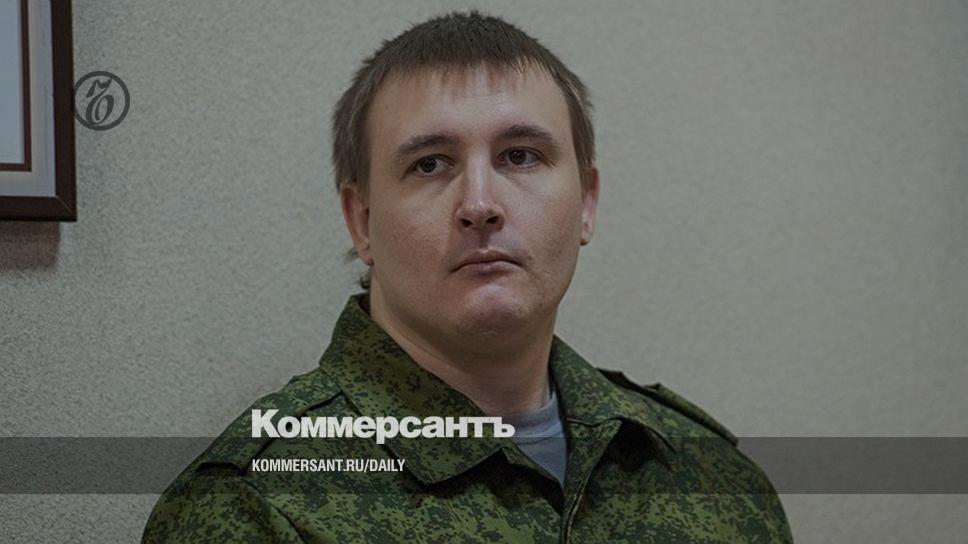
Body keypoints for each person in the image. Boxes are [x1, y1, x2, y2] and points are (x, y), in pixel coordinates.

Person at [143, 10, 792, 543]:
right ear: (362, 221)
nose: (480, 204)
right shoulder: (256, 505)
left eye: (521, 156)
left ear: (587, 204)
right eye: (430, 164)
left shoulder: (707, 474)